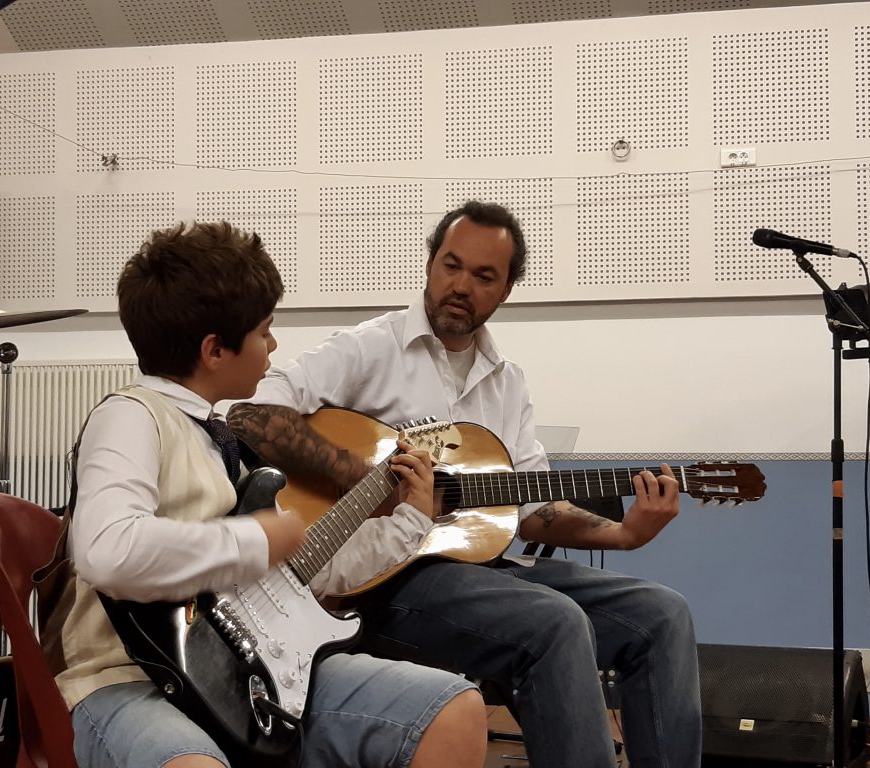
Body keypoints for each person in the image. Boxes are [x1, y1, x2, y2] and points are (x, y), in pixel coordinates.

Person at [228, 201, 702, 768]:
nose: (461, 286)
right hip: (381, 577)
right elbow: (249, 414)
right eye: (452, 265)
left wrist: (624, 534)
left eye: (484, 277)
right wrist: (366, 481)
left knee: (662, 614)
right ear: (430, 264)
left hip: (476, 571)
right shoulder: (367, 348)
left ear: (505, 291)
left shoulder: (507, 382)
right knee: (555, 623)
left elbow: (529, 507)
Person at [36, 221, 487, 768]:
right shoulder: (131, 417)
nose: (274, 346)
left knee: (454, 709)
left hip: (245, 666)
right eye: (265, 332)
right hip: (125, 676)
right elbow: (108, 550)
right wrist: (252, 539)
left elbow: (301, 573)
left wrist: (410, 523)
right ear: (214, 350)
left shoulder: (223, 439)